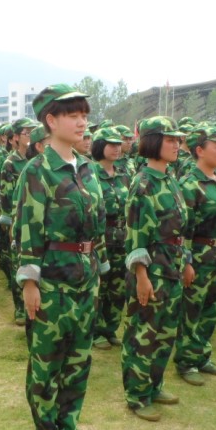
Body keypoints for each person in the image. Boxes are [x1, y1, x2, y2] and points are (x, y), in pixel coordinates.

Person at [15, 83, 108, 430]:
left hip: (86, 279)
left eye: (84, 115)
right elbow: (28, 230)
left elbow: (98, 224)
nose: (82, 122)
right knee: (47, 363)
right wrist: (30, 284)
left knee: (78, 360)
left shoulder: (86, 167)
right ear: (51, 121)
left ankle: (69, 429)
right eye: (73, 115)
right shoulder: (38, 171)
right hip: (53, 282)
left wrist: (100, 267)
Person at [120, 116, 186, 421]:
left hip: (172, 266)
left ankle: (154, 385)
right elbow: (136, 237)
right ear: (153, 142)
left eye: (177, 140)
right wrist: (141, 276)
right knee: (143, 334)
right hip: (152, 271)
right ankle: (137, 394)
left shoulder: (169, 178)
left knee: (165, 333)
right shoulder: (143, 183)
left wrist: (185, 261)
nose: (176, 145)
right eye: (169, 139)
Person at [174, 126, 216, 382]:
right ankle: (187, 362)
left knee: (212, 308)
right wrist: (186, 262)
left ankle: (202, 356)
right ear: (199, 150)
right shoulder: (189, 184)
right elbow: (182, 230)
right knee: (192, 309)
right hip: (199, 256)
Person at [90, 127, 131, 350]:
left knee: (119, 287)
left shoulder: (124, 174)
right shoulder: (90, 174)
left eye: (118, 144)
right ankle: (95, 330)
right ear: (99, 147)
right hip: (101, 238)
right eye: (111, 144)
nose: (117, 148)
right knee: (101, 286)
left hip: (122, 239)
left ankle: (110, 328)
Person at [0, 117, 38, 325]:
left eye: (32, 132)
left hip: (34, 216)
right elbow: (6, 195)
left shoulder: (37, 160)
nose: (30, 136)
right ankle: (20, 308)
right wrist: (9, 224)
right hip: (16, 216)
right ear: (15, 137)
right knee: (18, 263)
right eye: (26, 133)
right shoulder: (10, 163)